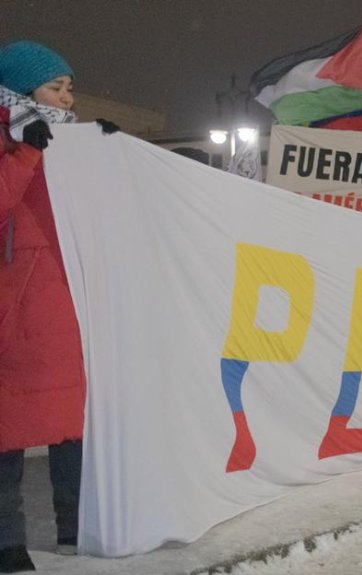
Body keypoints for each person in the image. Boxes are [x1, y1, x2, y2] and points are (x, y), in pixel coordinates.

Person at [0, 40, 117, 573]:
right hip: (13, 316)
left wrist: (110, 156)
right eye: (56, 87)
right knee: (8, 434)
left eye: (71, 88)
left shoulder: (67, 143)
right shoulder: (15, 143)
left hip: (65, 309)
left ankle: (75, 528)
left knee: (73, 424)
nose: (68, 99)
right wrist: (24, 150)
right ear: (21, 92)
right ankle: (7, 541)